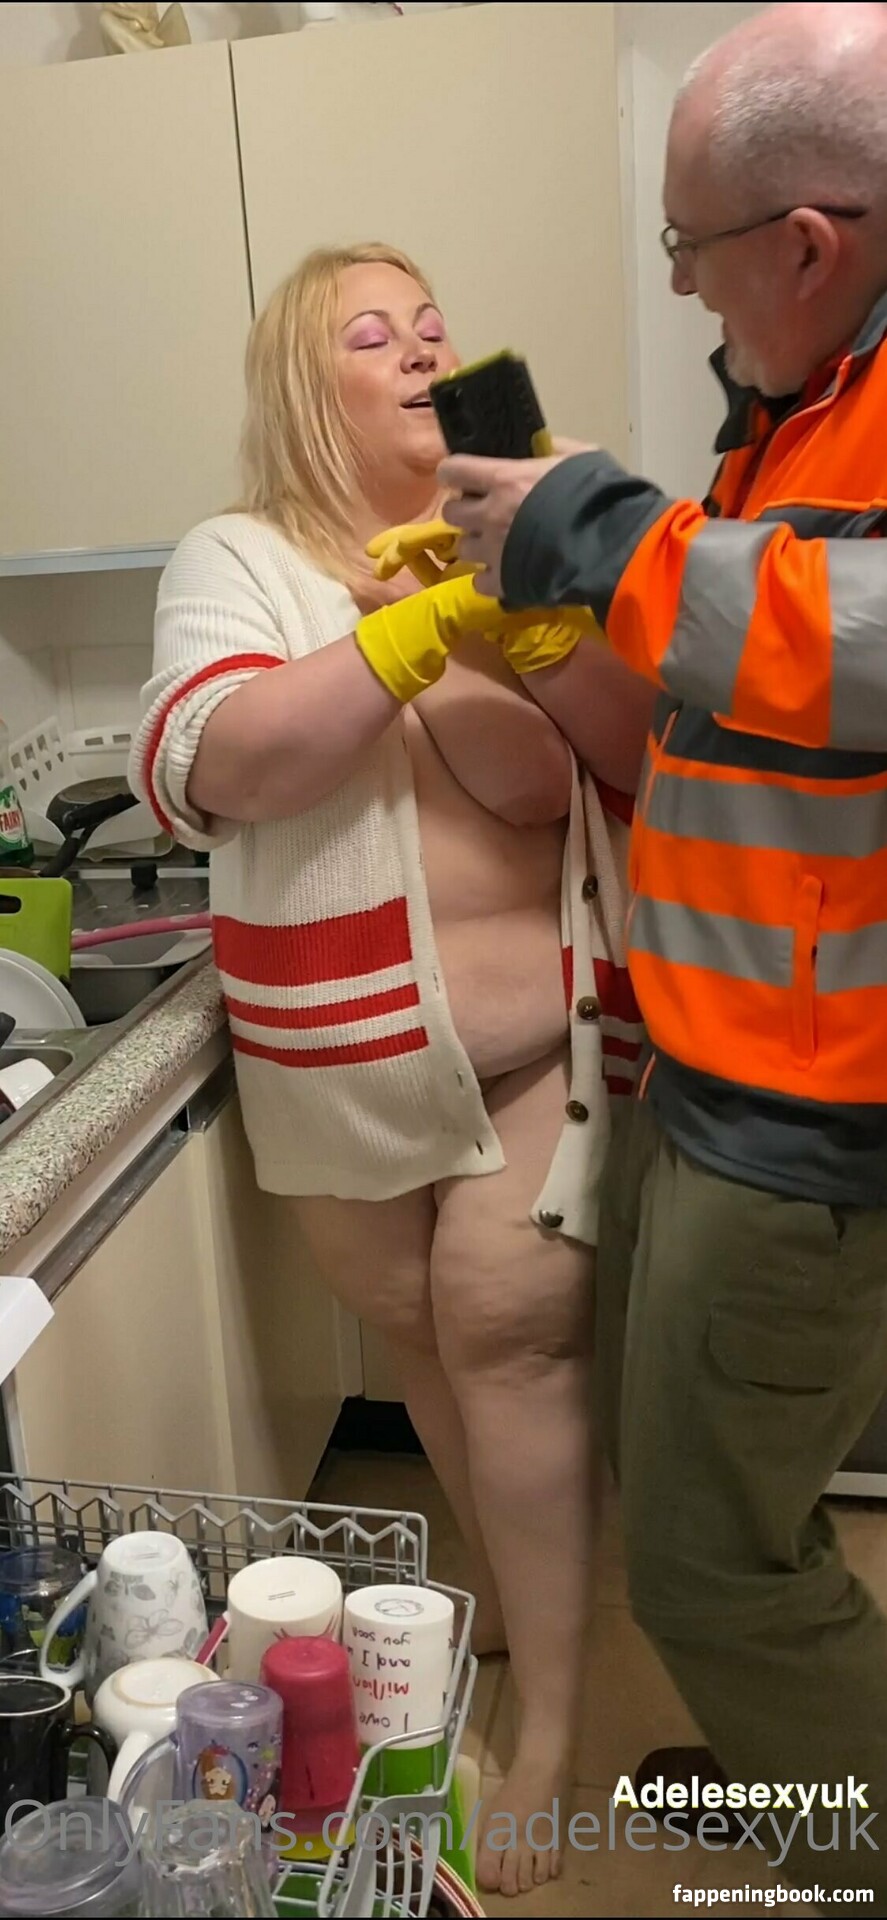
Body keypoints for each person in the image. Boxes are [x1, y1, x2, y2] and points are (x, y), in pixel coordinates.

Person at [130, 242, 652, 1897]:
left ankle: (550, 1723)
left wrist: (521, 622)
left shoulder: (525, 532)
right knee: (424, 1339)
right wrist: (409, 632)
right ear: (308, 383)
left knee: (510, 1338)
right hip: (343, 1061)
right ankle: (507, 1593)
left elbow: (624, 762)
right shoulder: (239, 556)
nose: (424, 351)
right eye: (375, 334)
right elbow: (216, 761)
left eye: (433, 328)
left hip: (545, 1046)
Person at [438, 1, 887, 1899]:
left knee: (708, 1564)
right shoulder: (805, 408)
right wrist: (580, 585)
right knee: (725, 1509)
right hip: (721, 1078)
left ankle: (852, 1831)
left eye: (692, 250)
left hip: (813, 1121)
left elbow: (856, 635)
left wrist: (595, 530)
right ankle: (803, 1762)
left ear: (810, 242)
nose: (687, 289)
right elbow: (745, 685)